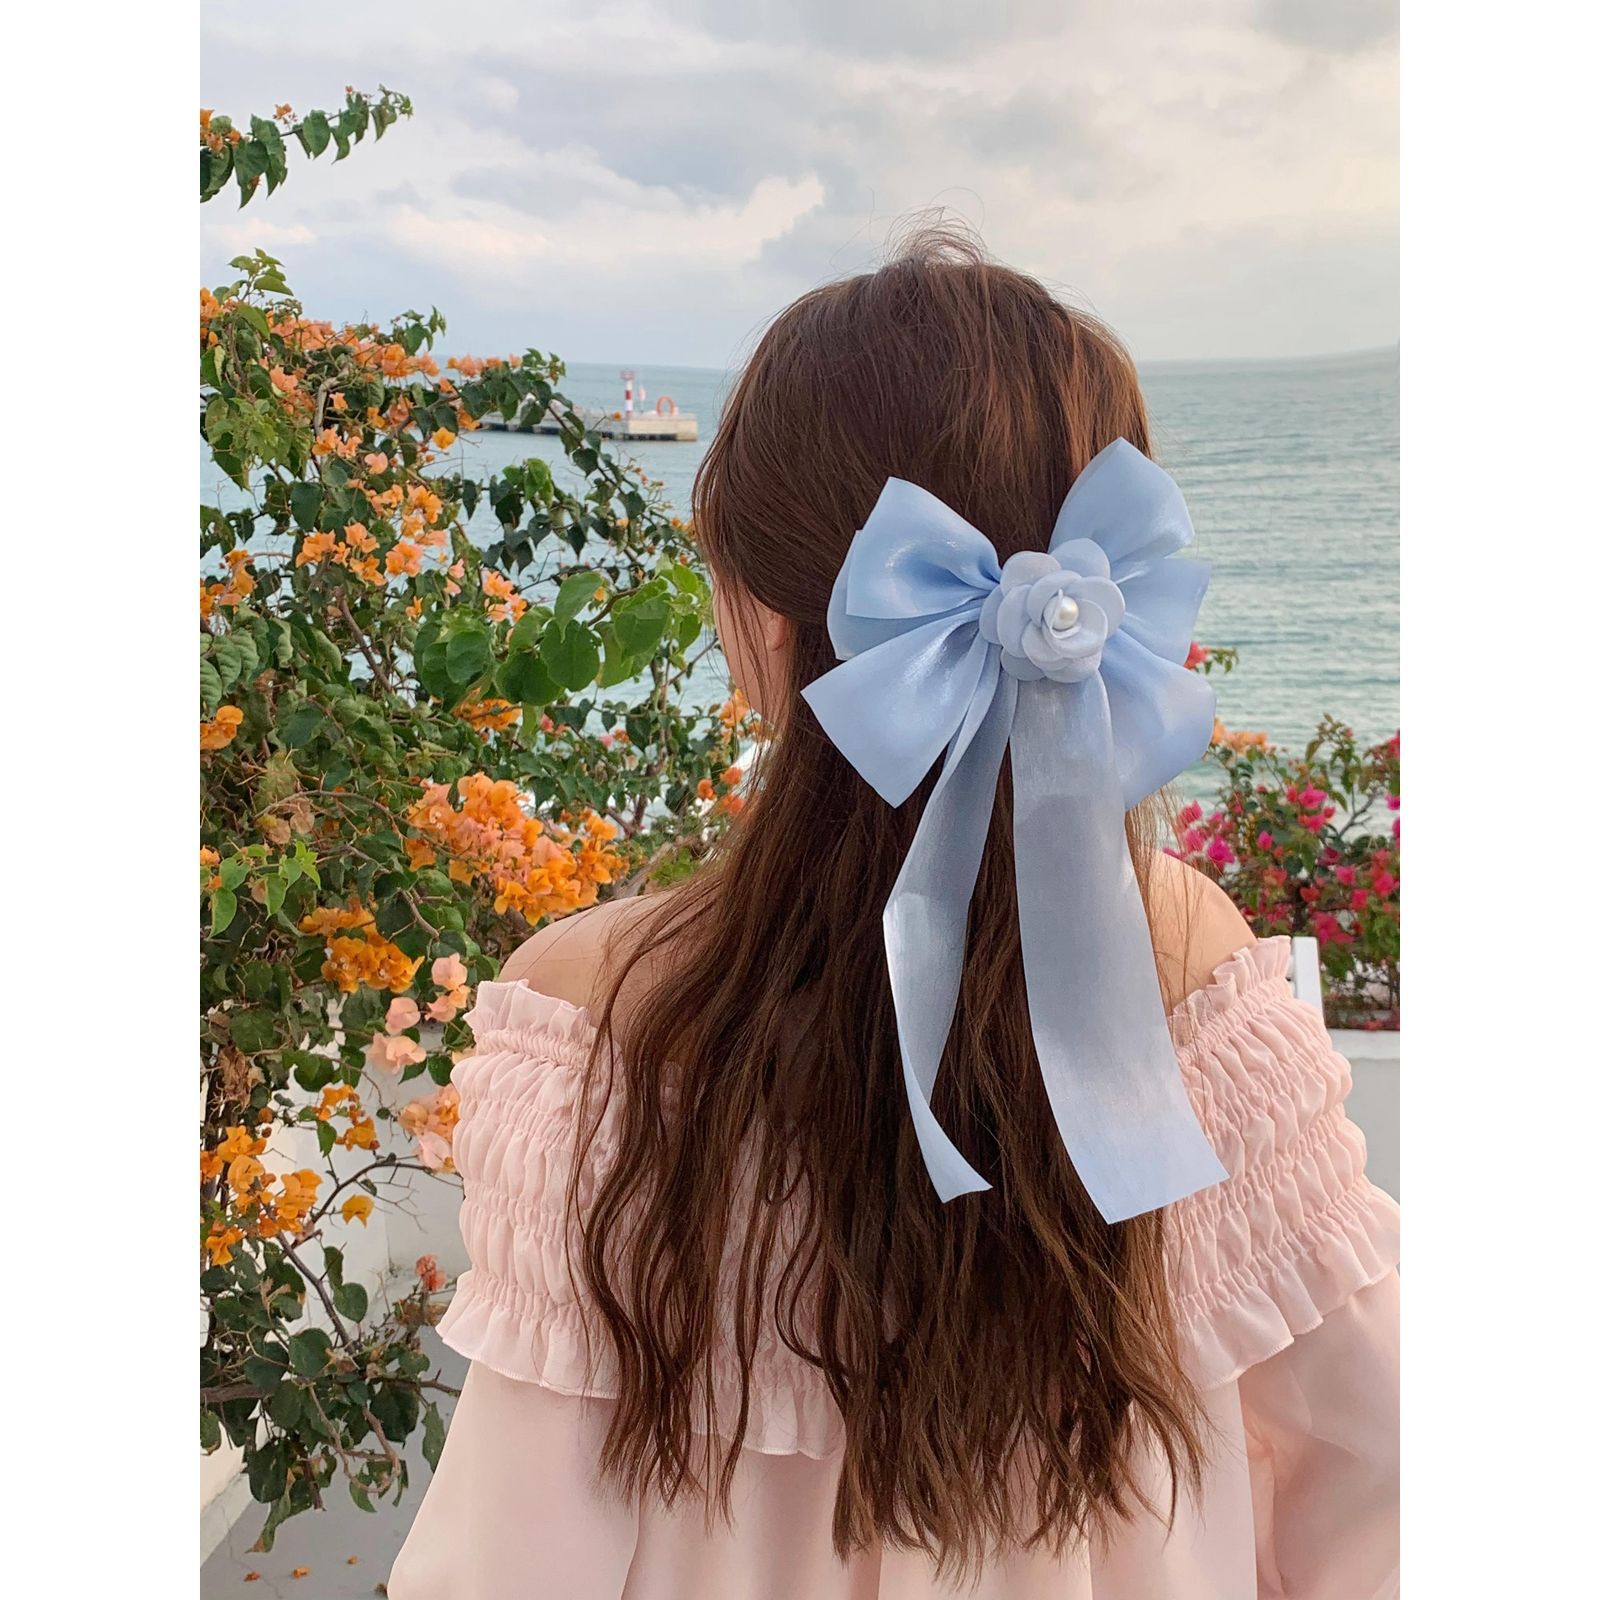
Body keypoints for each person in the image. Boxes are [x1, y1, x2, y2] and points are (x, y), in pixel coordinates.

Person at [388, 231, 1400, 1599]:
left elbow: (508, 1566)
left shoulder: (596, 1020)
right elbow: (1385, 1498)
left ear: (756, 614)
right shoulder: (1194, 977)